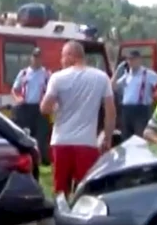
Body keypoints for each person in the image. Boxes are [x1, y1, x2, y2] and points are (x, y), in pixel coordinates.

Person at [40, 41, 117, 197]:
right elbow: (111, 112)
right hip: (87, 143)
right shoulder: (101, 77)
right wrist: (107, 137)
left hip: (61, 141)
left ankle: (61, 217)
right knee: (86, 189)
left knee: (61, 189)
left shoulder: (57, 78)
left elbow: (44, 108)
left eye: (63, 56)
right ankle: (83, 217)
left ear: (71, 56)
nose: (61, 61)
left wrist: (57, 109)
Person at [116, 50, 157, 139]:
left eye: (133, 59)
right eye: (129, 60)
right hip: (126, 110)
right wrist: (117, 72)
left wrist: (155, 96)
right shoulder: (127, 75)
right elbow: (113, 86)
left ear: (139, 60)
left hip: (141, 109)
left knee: (140, 138)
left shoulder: (147, 73)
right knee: (125, 138)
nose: (131, 62)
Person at [11, 48, 50, 163]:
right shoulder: (24, 73)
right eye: (34, 57)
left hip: (39, 109)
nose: (36, 60)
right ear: (31, 58)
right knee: (23, 135)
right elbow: (14, 89)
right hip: (25, 108)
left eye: (39, 57)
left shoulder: (46, 74)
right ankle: (24, 160)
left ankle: (41, 162)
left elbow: (51, 91)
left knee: (40, 137)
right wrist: (17, 98)